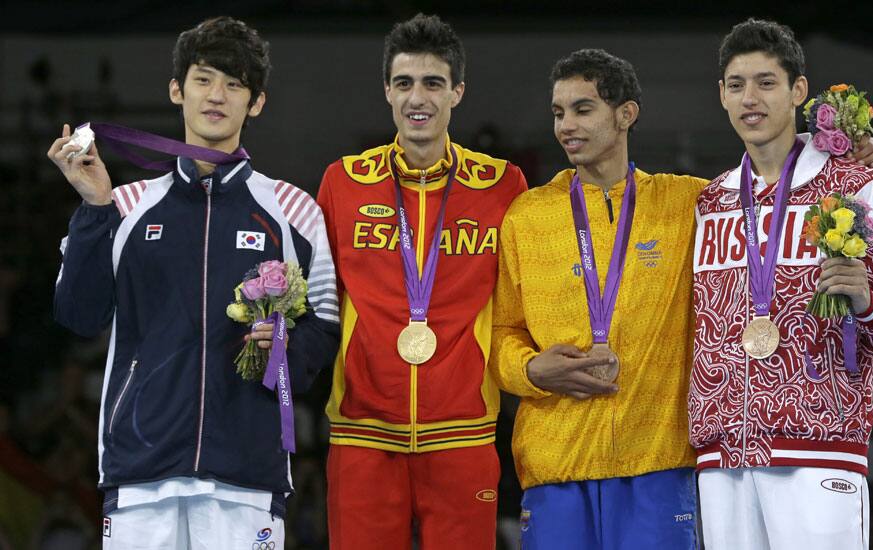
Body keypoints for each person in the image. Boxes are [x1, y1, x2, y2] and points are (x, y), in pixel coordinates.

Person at [491, 48, 873, 549]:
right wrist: (528, 371)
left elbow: (767, 185)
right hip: (554, 461)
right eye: (558, 113)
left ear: (626, 114)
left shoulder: (691, 203)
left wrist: (841, 154)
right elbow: (501, 331)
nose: (566, 125)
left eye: (582, 109)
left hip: (660, 465)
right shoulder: (525, 217)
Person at [48, 16, 339, 549]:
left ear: (256, 103)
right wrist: (93, 208)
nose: (217, 96)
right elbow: (77, 314)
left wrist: (283, 351)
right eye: (204, 79)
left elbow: (324, 329)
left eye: (234, 84)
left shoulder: (295, 211)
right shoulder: (124, 206)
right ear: (177, 90)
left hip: (246, 475)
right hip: (141, 472)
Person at [689, 18, 873, 549]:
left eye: (766, 82)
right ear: (721, 97)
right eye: (736, 85)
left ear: (798, 90)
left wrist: (864, 300)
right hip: (723, 451)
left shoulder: (850, 183)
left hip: (819, 446)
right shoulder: (711, 201)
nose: (750, 98)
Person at [315, 14, 528, 550]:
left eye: (433, 83)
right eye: (405, 82)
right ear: (387, 90)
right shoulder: (343, 182)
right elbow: (314, 298)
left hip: (464, 431)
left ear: (457, 92)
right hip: (363, 432)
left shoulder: (501, 185)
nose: (419, 97)